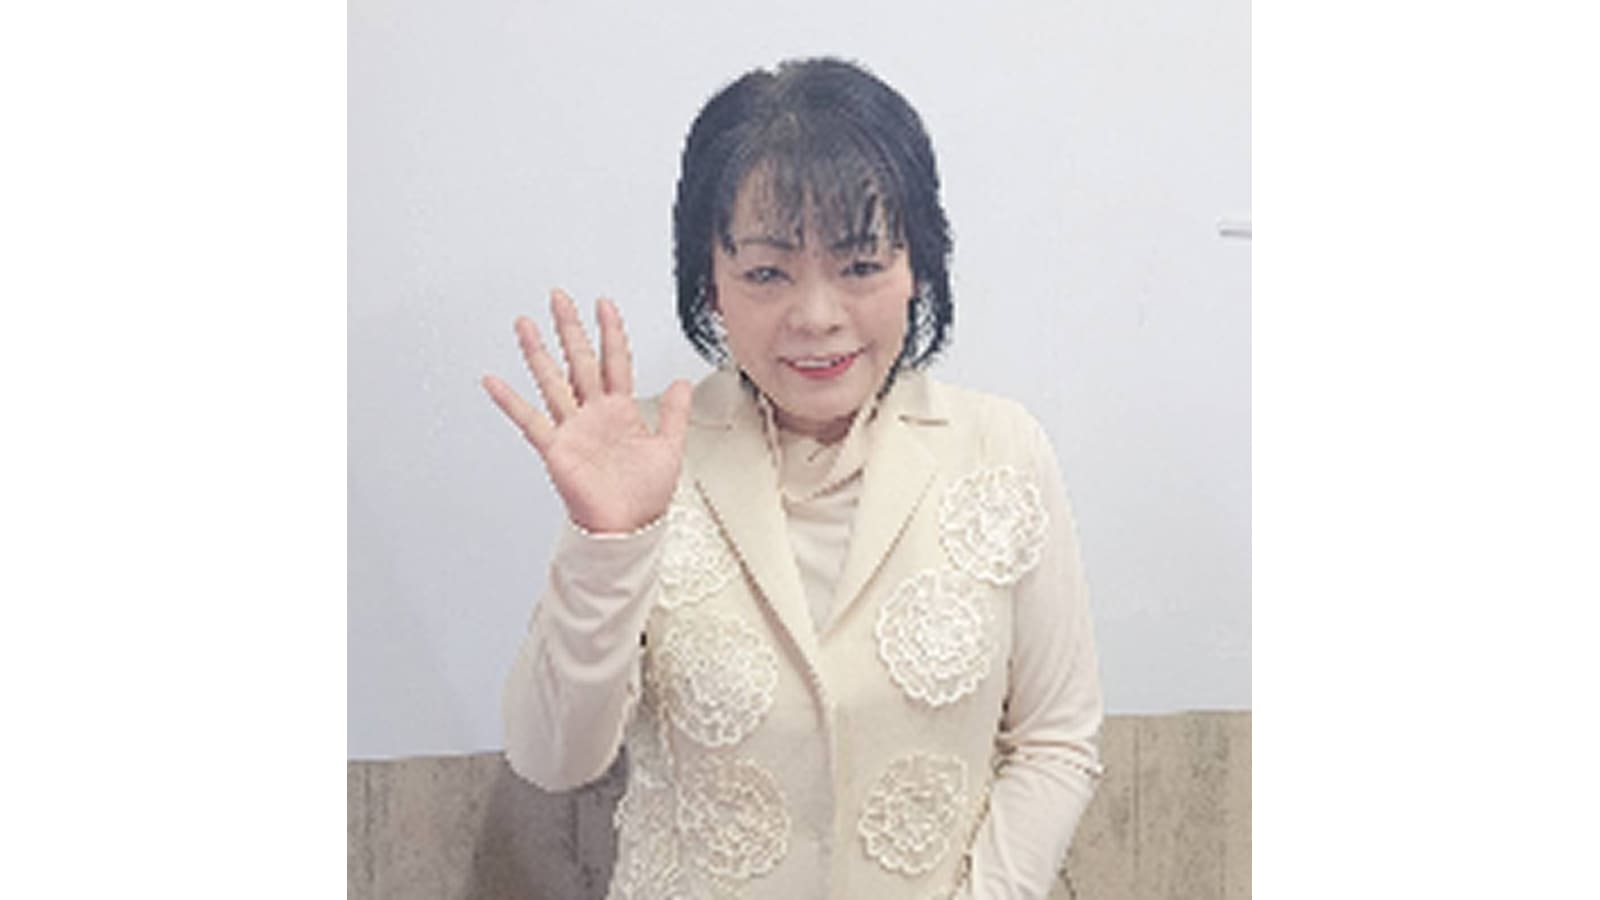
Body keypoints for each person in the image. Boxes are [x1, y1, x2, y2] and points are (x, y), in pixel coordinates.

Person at [483, 57, 1104, 900]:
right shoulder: (645, 458)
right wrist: (608, 546)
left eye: (860, 266)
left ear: (917, 266)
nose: (816, 316)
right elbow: (554, 759)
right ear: (711, 281)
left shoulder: (1001, 449)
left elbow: (1056, 739)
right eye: (767, 273)